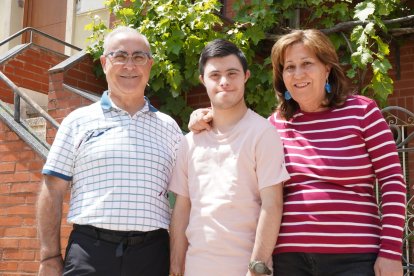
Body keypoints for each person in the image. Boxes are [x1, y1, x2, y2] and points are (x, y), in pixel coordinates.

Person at [189, 29, 406, 276]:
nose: (298, 73)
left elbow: (392, 182)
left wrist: (390, 252)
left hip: (354, 257)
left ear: (327, 68)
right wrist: (204, 116)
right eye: (289, 67)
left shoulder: (362, 112)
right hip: (289, 261)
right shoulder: (274, 125)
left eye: (307, 63)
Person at [37, 26, 183, 276]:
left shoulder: (170, 128)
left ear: (150, 65)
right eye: (120, 56)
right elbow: (53, 190)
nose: (130, 66)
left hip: (152, 255)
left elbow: (183, 200)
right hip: (90, 254)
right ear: (105, 62)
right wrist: (49, 256)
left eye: (139, 57)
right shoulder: (78, 121)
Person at [168, 39, 290, 276]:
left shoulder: (263, 133)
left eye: (232, 73)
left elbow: (272, 205)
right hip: (195, 268)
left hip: (245, 270)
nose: (224, 82)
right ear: (203, 80)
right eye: (215, 75)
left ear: (245, 76)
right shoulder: (189, 142)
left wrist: (257, 268)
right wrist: (175, 267)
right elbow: (182, 209)